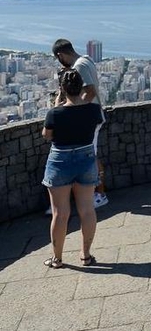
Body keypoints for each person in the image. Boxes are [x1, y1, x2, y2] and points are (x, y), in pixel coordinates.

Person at [41, 69, 105, 268]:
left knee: (60, 213)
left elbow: (47, 135)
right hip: (86, 158)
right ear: (80, 87)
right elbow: (91, 123)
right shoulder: (93, 110)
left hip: (60, 160)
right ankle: (86, 255)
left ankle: (57, 259)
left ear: (62, 89)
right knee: (87, 209)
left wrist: (57, 106)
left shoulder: (55, 113)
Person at [52, 38, 108, 209]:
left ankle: (100, 194)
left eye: (58, 58)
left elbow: (89, 92)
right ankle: (98, 192)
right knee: (91, 154)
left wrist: (74, 107)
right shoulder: (86, 59)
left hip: (89, 118)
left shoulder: (79, 66)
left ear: (61, 54)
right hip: (93, 115)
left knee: (90, 156)